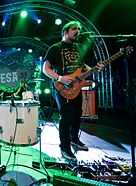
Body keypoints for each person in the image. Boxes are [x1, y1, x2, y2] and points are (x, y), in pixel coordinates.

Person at [43, 21, 103, 161]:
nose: (78, 31)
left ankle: (74, 139)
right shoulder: (55, 48)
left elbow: (82, 67)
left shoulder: (78, 47)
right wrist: (60, 78)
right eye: (74, 29)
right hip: (62, 88)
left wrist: (94, 69)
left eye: (79, 29)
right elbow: (46, 69)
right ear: (65, 31)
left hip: (76, 87)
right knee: (66, 117)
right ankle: (64, 147)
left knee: (77, 114)